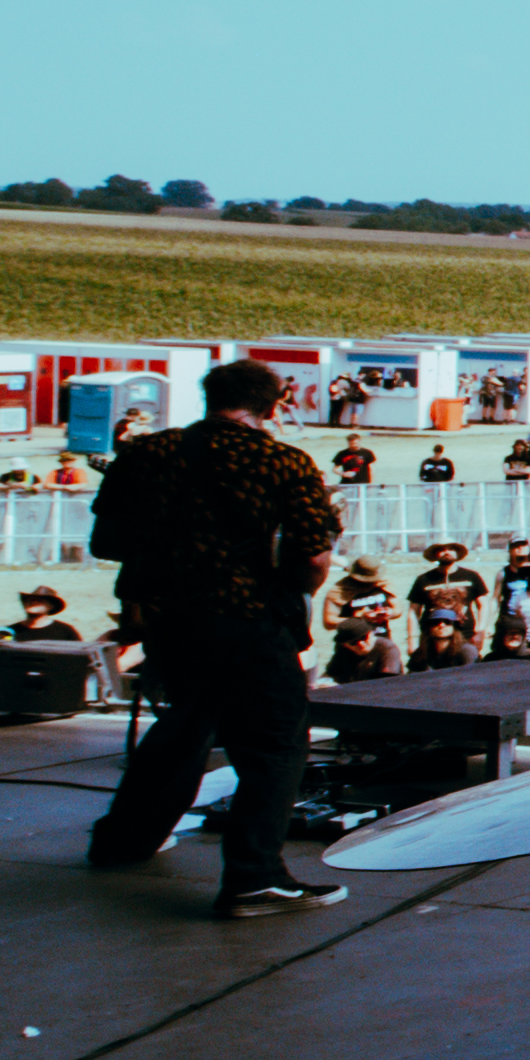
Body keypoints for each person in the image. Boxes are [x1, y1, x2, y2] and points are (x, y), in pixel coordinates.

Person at [84, 359, 350, 913]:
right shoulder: (284, 462)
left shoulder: (146, 453)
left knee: (186, 724)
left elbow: (106, 542)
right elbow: (311, 556)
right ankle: (254, 877)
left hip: (169, 622)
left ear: (208, 398)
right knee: (276, 744)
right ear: (272, 405)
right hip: (248, 622)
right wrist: (287, 586)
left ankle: (122, 842)